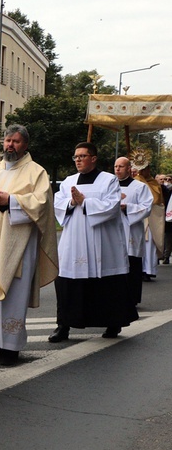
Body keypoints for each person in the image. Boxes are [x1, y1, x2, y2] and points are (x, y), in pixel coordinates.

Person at [0, 125, 58, 366]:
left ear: (25, 145)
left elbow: (41, 203)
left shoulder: (36, 172)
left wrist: (12, 201)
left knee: (13, 292)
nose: (10, 145)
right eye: (7, 140)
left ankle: (10, 345)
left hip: (18, 245)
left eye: (16, 141)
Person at [50, 143, 136, 342]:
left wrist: (85, 201)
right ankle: (63, 325)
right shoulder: (68, 181)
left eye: (82, 156)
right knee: (67, 282)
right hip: (74, 240)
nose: (78, 160)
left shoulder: (109, 180)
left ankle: (113, 322)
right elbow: (58, 204)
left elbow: (112, 206)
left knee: (108, 284)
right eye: (76, 157)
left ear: (94, 158)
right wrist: (71, 202)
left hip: (103, 241)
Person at [115, 157, 153, 304]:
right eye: (116, 166)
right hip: (113, 231)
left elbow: (146, 207)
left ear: (129, 168)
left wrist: (128, 208)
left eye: (121, 166)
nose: (117, 169)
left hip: (131, 231)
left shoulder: (139, 187)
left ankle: (132, 299)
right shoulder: (109, 186)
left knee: (132, 267)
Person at [133, 160, 164, 281]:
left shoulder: (154, 183)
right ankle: (139, 269)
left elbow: (156, 200)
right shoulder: (135, 182)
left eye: (145, 169)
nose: (143, 171)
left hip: (151, 217)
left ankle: (148, 270)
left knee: (149, 243)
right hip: (139, 217)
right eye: (141, 169)